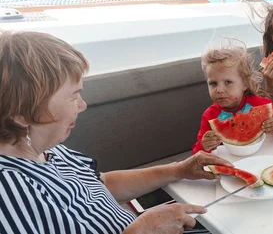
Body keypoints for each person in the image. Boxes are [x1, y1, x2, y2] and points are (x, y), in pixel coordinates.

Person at [0, 30, 233, 233]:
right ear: (21, 114)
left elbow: (103, 183)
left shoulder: (49, 149)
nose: (83, 105)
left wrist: (180, 169)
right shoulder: (9, 192)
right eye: (73, 96)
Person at [192, 46, 273, 153]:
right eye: (213, 83)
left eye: (228, 82)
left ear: (245, 84)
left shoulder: (259, 104)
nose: (219, 90)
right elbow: (196, 153)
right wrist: (204, 145)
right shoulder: (209, 116)